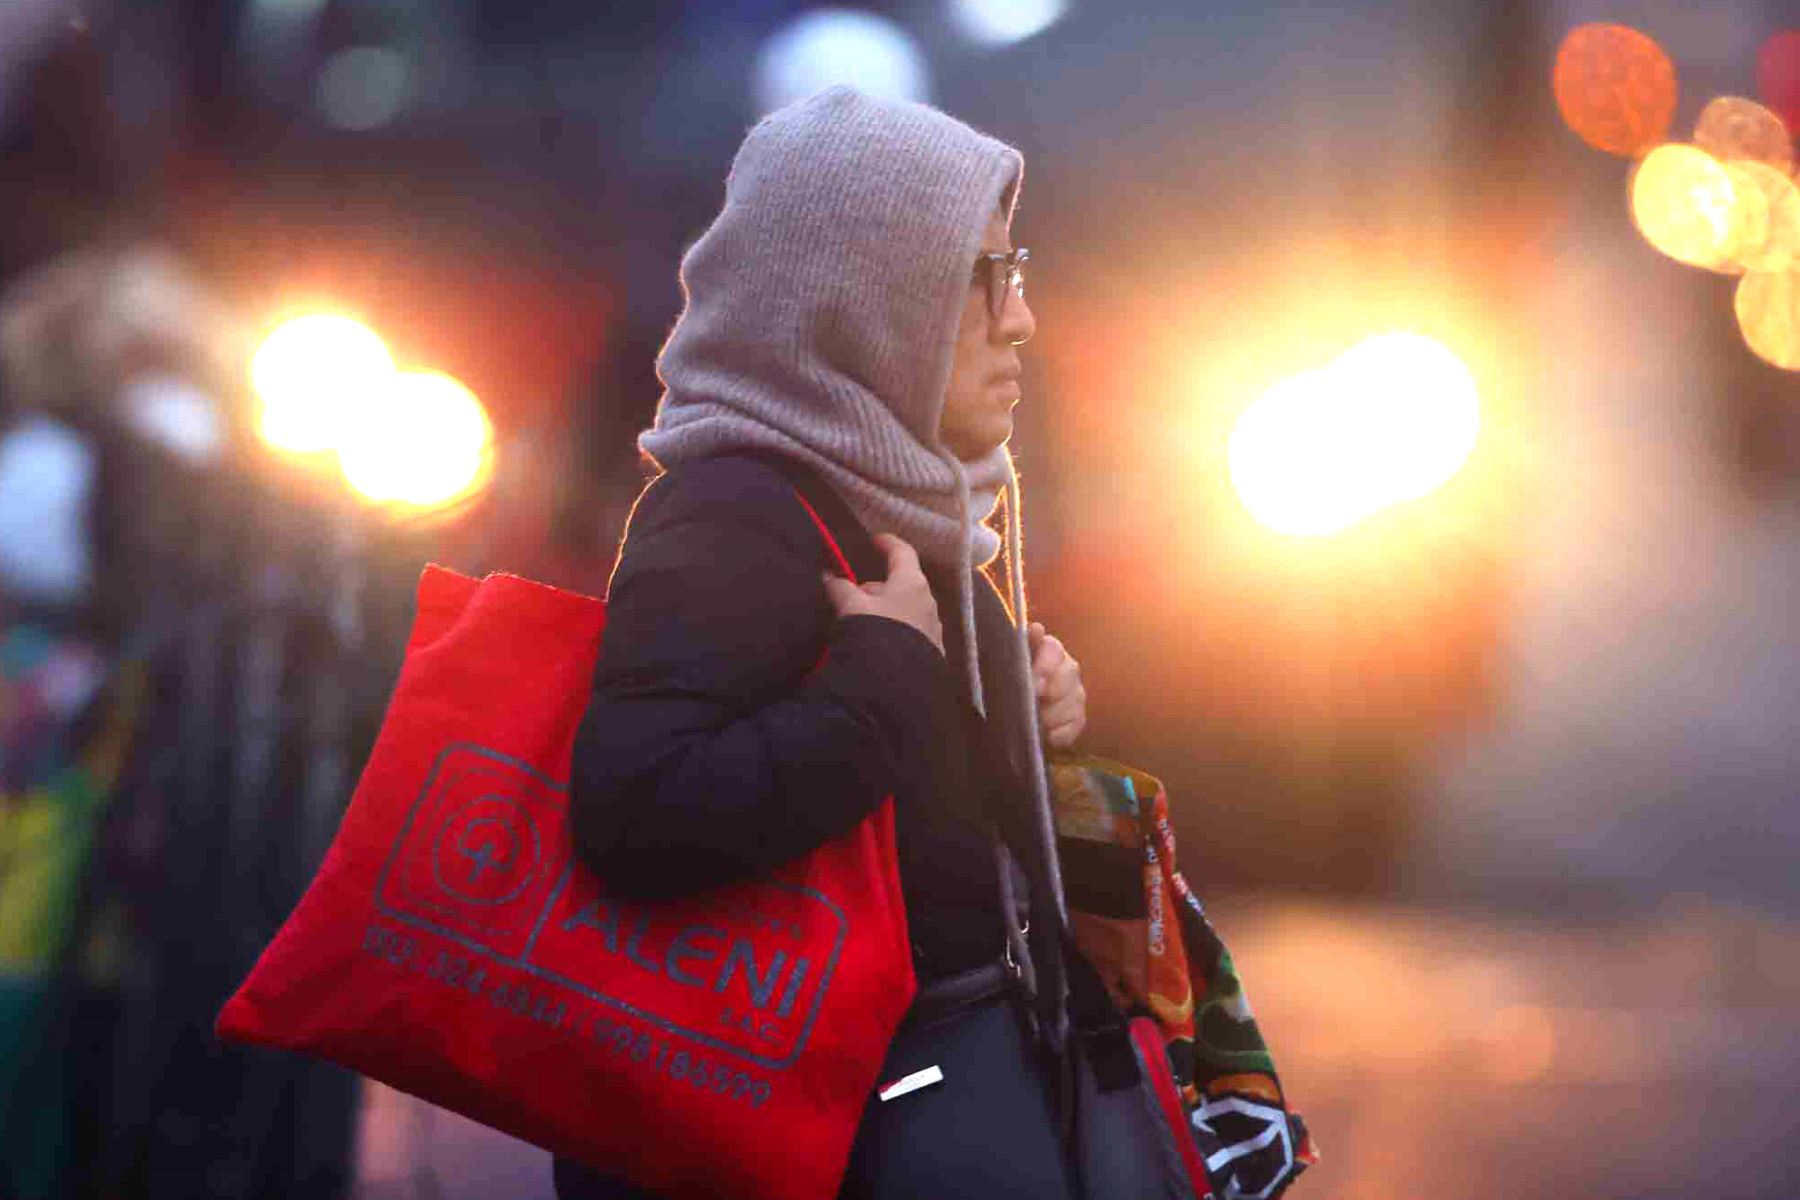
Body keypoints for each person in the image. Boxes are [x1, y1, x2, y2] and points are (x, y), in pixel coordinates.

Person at [555, 86, 1090, 1199]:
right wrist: (891, 676)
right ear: (867, 302)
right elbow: (637, 810)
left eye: (1016, 270)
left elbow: (908, 826)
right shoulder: (735, 510)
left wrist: (1011, 711)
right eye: (984, 279)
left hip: (894, 1117)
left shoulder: (893, 500)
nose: (1022, 318)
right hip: (810, 1139)